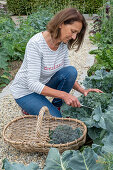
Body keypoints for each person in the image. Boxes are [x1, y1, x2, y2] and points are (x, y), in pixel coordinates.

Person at [10, 8, 103, 117]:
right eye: (73, 31)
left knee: (71, 71)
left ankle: (56, 105)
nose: (74, 37)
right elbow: (32, 84)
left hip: (43, 85)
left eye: (77, 33)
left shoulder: (62, 44)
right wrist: (64, 95)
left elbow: (68, 74)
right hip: (25, 91)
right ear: (61, 24)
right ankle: (29, 107)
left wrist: (82, 90)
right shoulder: (36, 44)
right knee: (57, 120)